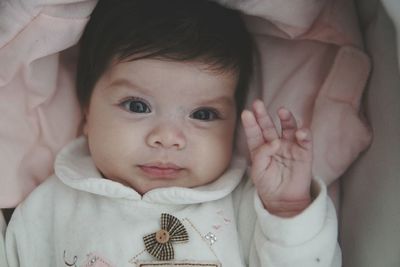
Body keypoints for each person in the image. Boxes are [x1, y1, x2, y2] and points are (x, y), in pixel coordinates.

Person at [2, 0, 341, 266]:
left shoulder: (248, 208)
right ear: (87, 112)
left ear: (234, 124)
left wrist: (287, 209)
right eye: (137, 106)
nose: (168, 137)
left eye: (203, 114)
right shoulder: (50, 207)